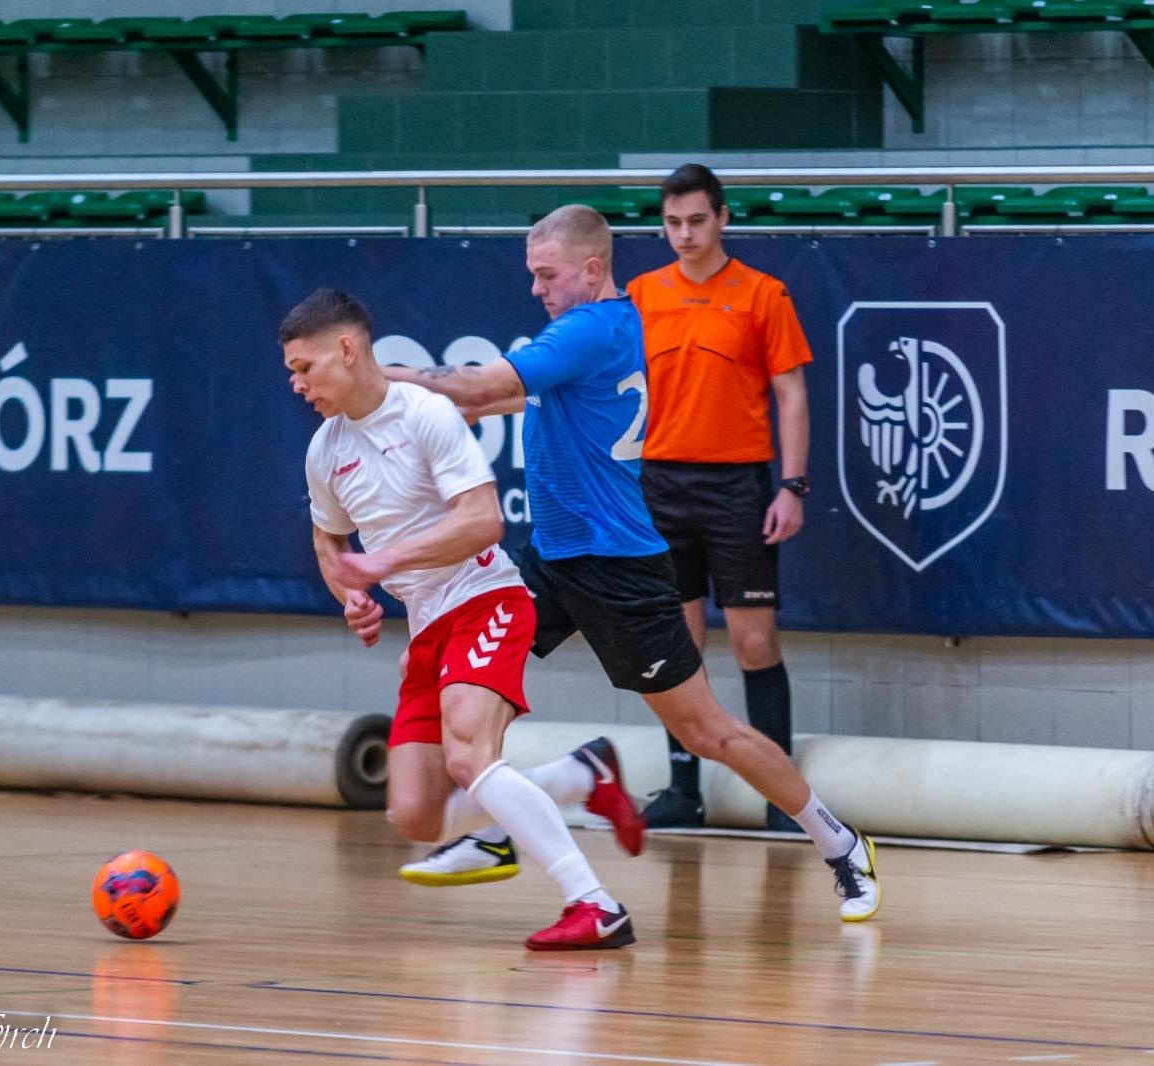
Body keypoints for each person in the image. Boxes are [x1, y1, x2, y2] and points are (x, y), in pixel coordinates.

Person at [385, 205, 881, 922]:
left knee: (706, 732)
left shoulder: (590, 328)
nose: (536, 288)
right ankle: (500, 831)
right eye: (530, 275)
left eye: (546, 274)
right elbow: (494, 400)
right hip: (550, 562)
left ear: (591, 268)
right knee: (471, 688)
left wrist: (372, 373)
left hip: (619, 569)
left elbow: (478, 390)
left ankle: (839, 842)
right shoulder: (592, 331)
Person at [282, 287, 646, 951]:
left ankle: (594, 903)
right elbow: (327, 542)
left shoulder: (424, 413)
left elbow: (483, 519)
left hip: (486, 600)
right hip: (425, 627)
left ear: (347, 348)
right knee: (415, 815)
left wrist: (381, 560)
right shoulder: (324, 451)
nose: (297, 383)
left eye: (304, 368)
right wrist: (351, 596)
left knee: (470, 754)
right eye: (291, 373)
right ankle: (580, 776)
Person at [625, 163, 812, 832]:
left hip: (737, 486)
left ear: (723, 218)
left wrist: (791, 486)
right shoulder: (642, 294)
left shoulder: (763, 294)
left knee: (754, 642)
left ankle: (786, 800)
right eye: (672, 223)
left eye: (697, 220)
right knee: (677, 644)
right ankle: (683, 791)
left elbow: (791, 394)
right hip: (660, 484)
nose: (684, 234)